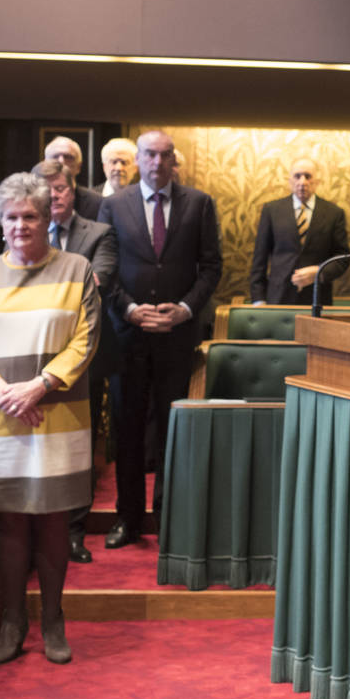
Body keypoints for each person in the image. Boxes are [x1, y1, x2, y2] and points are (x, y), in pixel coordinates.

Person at [0, 171, 100, 664]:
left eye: (30, 216)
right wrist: (1, 390)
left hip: (57, 415)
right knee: (7, 523)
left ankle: (54, 620)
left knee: (53, 520)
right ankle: (13, 621)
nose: (21, 225)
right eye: (12, 217)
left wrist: (39, 385)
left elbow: (86, 339)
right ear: (0, 222)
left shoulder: (76, 269)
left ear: (47, 218)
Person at [102, 130, 221, 548]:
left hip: (177, 336)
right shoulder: (113, 205)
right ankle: (128, 519)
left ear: (175, 161)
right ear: (138, 159)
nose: (157, 162)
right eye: (149, 154)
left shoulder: (200, 204)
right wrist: (130, 309)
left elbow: (210, 267)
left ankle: (169, 518)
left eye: (164, 155)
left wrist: (186, 309)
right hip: (128, 336)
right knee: (128, 430)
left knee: (175, 430)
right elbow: (106, 270)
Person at [33, 159, 117, 564]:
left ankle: (74, 531)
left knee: (78, 446)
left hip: (85, 355)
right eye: (45, 191)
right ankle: (40, 528)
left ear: (72, 190)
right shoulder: (22, 233)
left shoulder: (98, 233)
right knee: (40, 445)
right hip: (32, 356)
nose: (54, 197)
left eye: (60, 190)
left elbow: (96, 283)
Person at [248, 157, 350, 305]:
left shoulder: (334, 213)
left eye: (308, 176)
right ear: (290, 181)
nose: (302, 182)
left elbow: (343, 257)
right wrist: (258, 299)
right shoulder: (272, 210)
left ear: (317, 181)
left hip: (317, 299)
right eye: (297, 176)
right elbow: (259, 258)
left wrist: (319, 271)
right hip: (278, 298)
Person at [42, 135, 103, 219]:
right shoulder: (35, 200)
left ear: (79, 166)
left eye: (68, 157)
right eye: (55, 156)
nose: (61, 161)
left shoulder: (97, 203)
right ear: (45, 164)